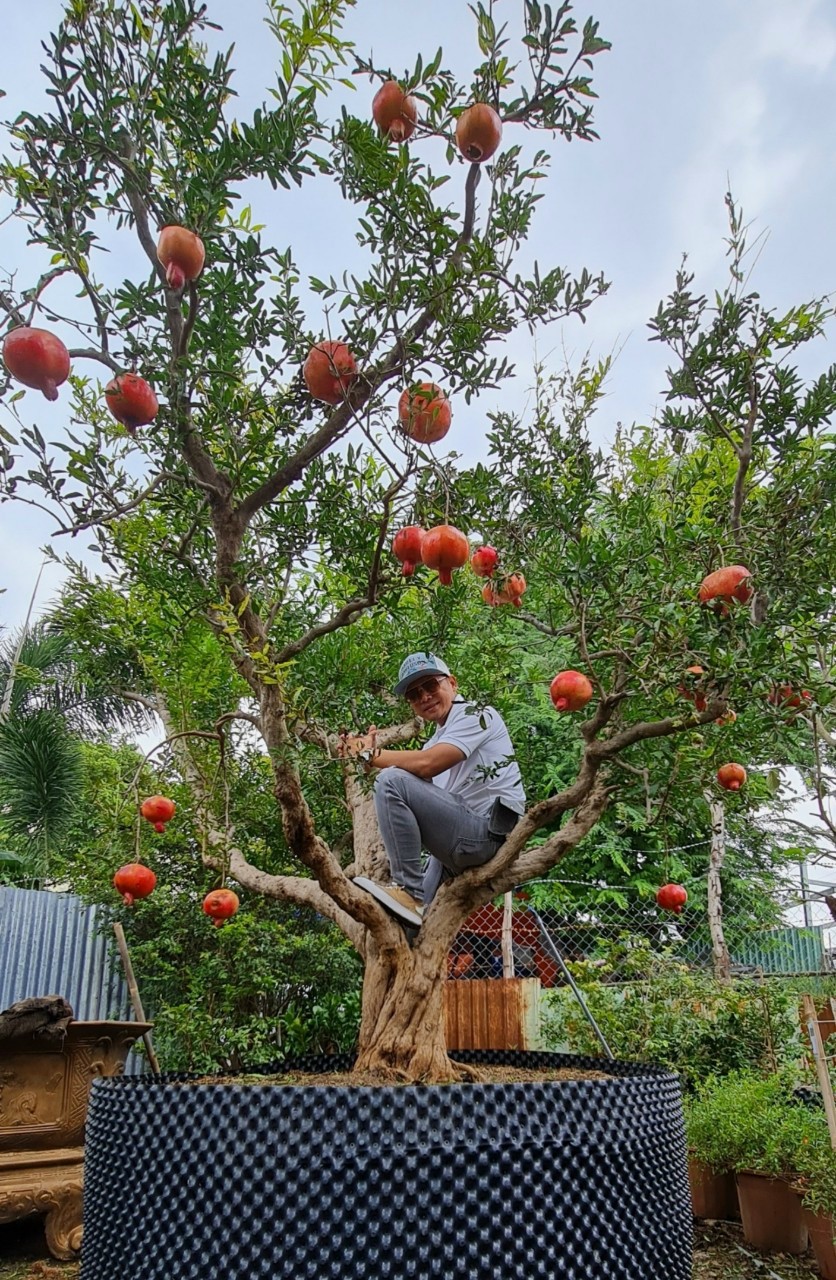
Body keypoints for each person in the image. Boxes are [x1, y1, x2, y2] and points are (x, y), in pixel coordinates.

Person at [339, 652, 526, 929]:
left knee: (389, 781)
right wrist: (366, 760)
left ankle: (407, 891)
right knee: (411, 928)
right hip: (456, 845)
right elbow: (417, 789)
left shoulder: (477, 714)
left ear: (452, 683)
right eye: (414, 694)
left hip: (488, 834)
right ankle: (410, 911)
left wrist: (372, 755)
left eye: (430, 686)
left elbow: (427, 765)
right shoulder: (436, 739)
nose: (424, 696)